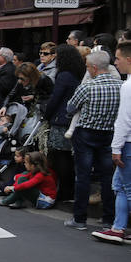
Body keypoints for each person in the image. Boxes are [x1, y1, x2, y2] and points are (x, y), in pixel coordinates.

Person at [63, 50, 122, 230]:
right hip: (110, 133)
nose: (87, 70)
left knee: (83, 176)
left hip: (86, 133)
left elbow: (70, 108)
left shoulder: (87, 87)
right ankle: (108, 220)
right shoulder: (121, 86)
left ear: (94, 68)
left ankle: (80, 219)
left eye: (88, 67)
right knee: (107, 177)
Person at [92, 42, 131, 243]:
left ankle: (119, 227)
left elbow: (123, 121)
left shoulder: (127, 86)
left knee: (127, 187)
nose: (115, 63)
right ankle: (118, 227)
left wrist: (116, 148)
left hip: (128, 143)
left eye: (117, 58)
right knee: (120, 185)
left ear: (128, 59)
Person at [42, 44, 84, 201]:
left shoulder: (64, 75)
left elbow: (55, 98)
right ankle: (69, 190)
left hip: (61, 119)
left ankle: (65, 191)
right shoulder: (77, 73)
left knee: (61, 157)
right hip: (72, 119)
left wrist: (47, 114)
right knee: (68, 157)